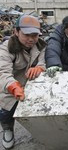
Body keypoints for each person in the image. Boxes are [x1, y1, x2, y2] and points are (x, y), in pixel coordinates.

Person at [0, 15, 46, 149]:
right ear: (16, 32)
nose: (31, 39)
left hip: (32, 85)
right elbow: (2, 72)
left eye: (35, 35)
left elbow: (44, 62)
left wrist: (40, 68)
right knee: (6, 111)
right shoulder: (6, 48)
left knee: (39, 109)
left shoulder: (41, 45)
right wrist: (13, 86)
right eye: (27, 35)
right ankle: (8, 129)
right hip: (10, 87)